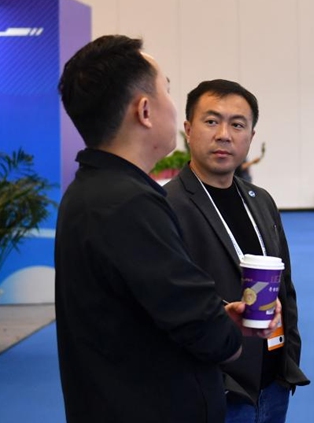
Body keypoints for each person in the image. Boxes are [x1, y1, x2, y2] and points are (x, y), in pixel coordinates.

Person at [55, 35, 279, 423]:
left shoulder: (94, 190)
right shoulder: (130, 204)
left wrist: (220, 316)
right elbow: (203, 329)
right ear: (145, 110)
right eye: (168, 91)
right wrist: (223, 331)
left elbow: (154, 306)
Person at [165, 79, 309, 423]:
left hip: (273, 383)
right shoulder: (167, 206)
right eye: (211, 121)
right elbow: (171, 301)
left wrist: (288, 360)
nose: (224, 135)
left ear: (251, 136)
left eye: (237, 124)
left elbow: (285, 287)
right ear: (188, 129)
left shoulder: (261, 201)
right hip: (217, 391)